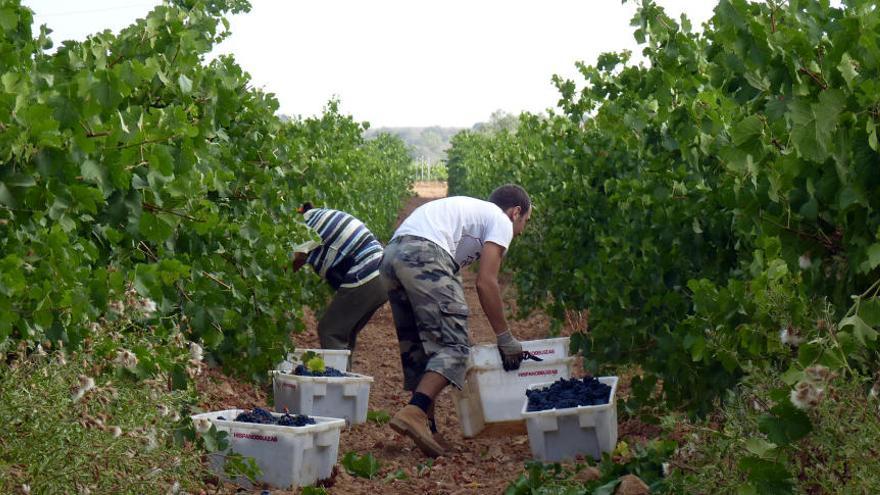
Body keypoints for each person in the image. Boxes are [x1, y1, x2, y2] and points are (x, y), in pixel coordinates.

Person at [379, 184, 532, 457]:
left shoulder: (471, 214)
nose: (522, 231)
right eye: (525, 222)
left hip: (392, 255)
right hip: (423, 252)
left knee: (423, 350)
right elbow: (486, 282)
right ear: (515, 212)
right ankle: (415, 412)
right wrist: (504, 337)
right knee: (456, 347)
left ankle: (429, 430)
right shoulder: (500, 220)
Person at [290, 202, 388, 363]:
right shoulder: (324, 216)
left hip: (365, 275)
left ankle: (337, 383)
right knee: (345, 334)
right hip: (383, 274)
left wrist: (274, 280)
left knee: (330, 331)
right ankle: (346, 383)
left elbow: (297, 257)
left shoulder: (308, 223)